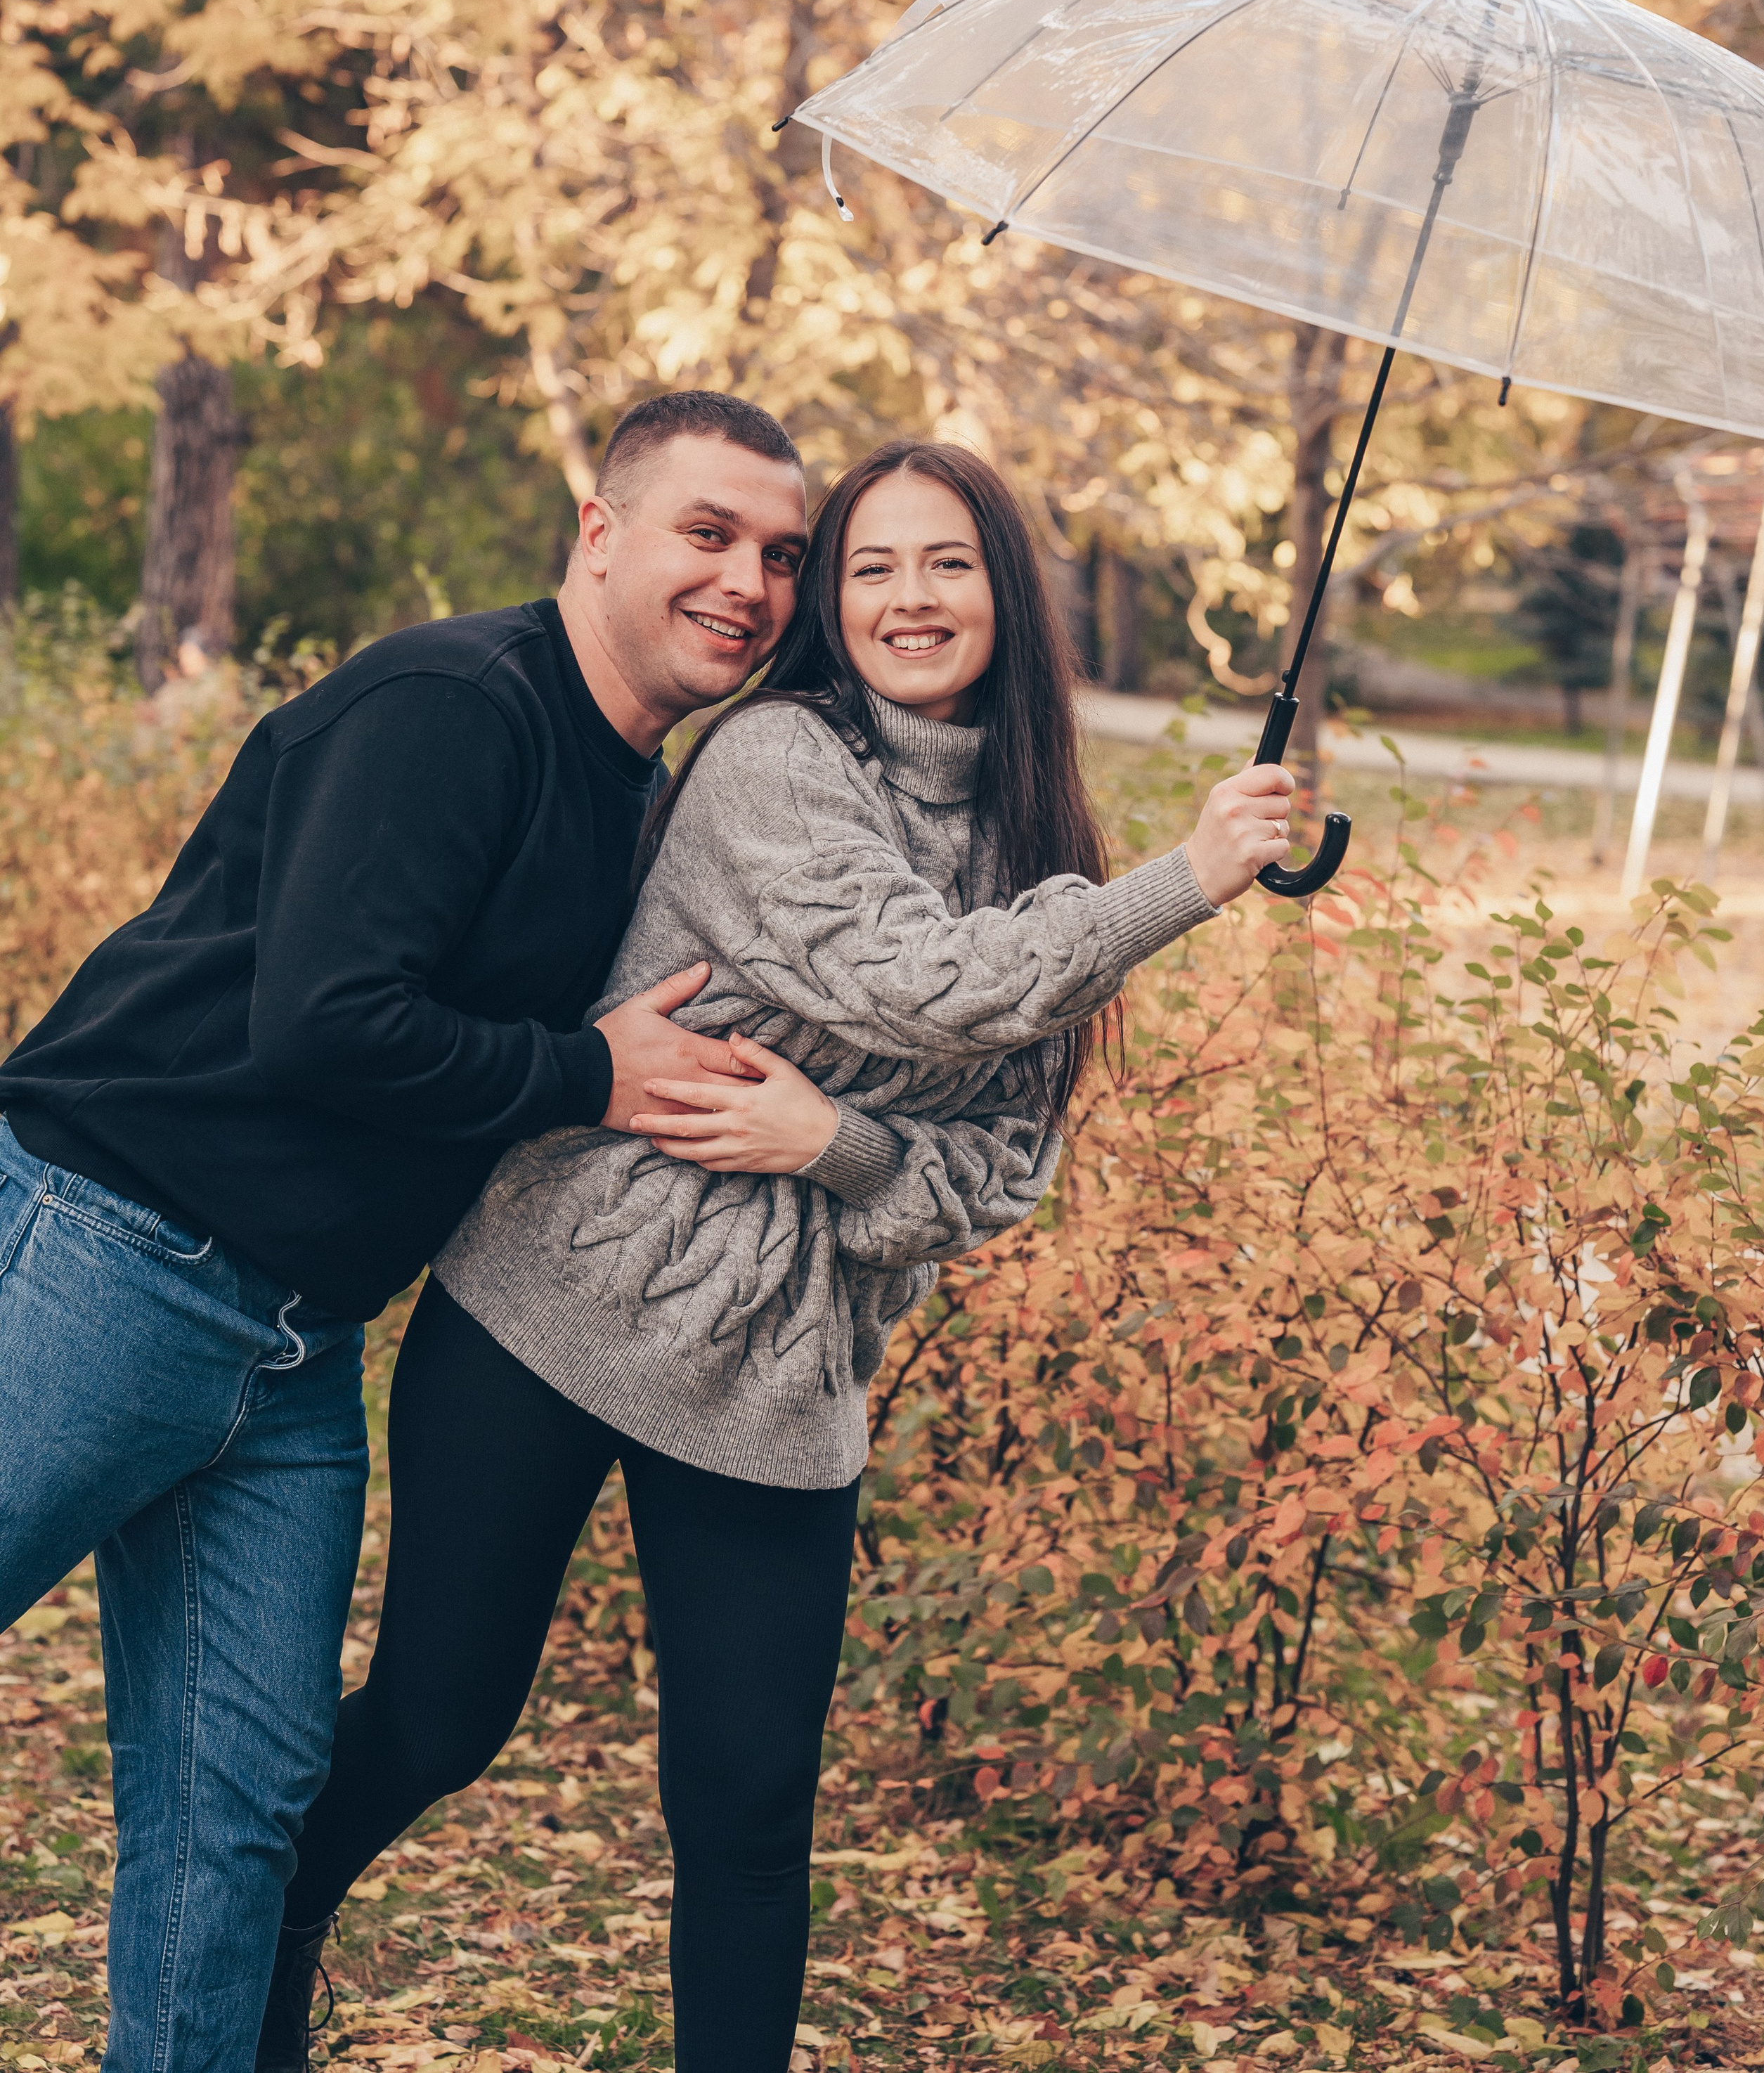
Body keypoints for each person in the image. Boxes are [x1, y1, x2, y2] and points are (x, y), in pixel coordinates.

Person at [263, 437, 1296, 2073]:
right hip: (553, 1303)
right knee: (442, 1721)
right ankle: (263, 1941)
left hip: (782, 1372)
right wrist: (1184, 880)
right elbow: (926, 984)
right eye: (866, 565)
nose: (902, 597)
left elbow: (1003, 1165)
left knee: (747, 1802)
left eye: (941, 562)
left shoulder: (1036, 846)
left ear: (1001, 593)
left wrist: (836, 1145)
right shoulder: (771, 761)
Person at [0, 391, 856, 2073]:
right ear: (597, 529)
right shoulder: (454, 703)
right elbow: (322, 1022)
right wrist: (588, 1072)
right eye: (707, 533)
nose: (749, 583)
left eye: (778, 554)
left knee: (234, 1822)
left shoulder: (637, 780)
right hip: (108, 1254)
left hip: (297, 1348)